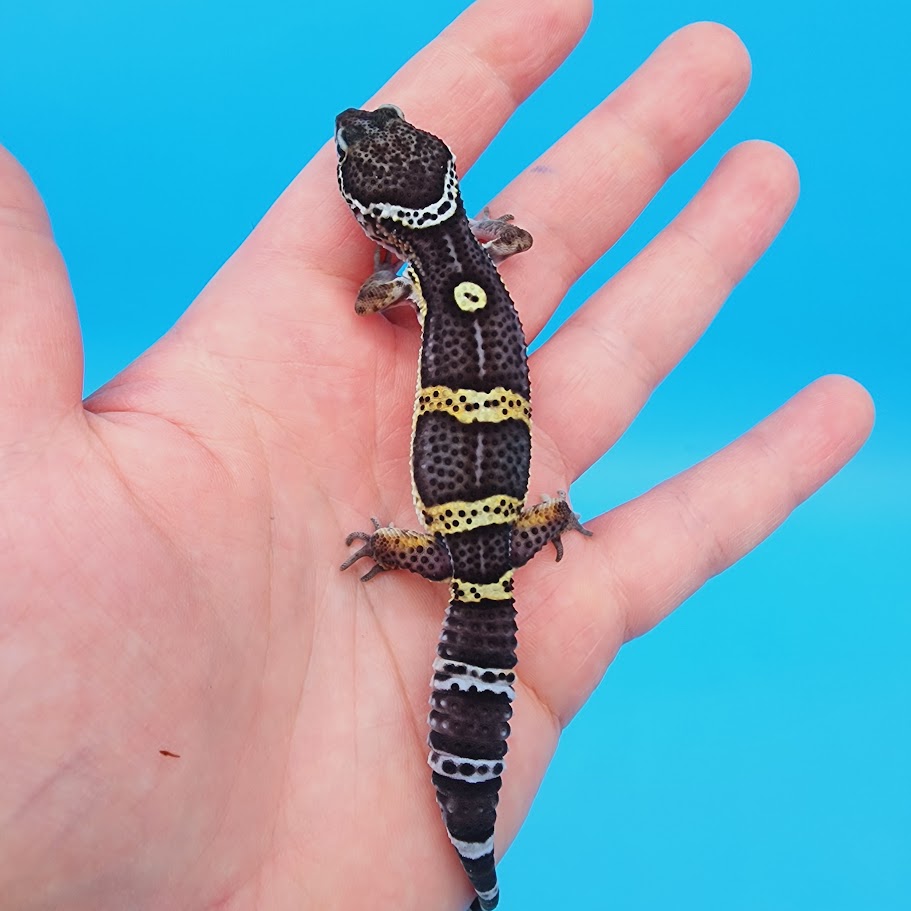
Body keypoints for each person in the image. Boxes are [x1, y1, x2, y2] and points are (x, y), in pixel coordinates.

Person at [0, 1, 872, 908]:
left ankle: (476, 868)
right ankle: (478, 873)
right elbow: (516, 237)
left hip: (478, 547)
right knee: (484, 622)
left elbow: (376, 301)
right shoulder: (482, 249)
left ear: (377, 211)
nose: (360, 134)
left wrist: (391, 543)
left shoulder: (410, 275)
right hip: (495, 535)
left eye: (365, 152)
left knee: (456, 607)